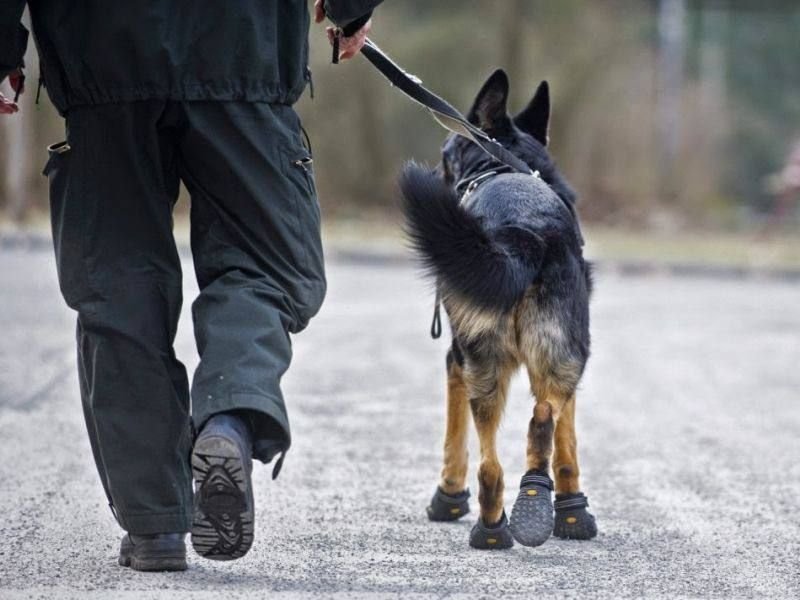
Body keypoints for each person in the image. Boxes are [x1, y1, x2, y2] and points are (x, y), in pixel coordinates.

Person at [0, 0, 382, 571]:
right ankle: (228, 416)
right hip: (242, 47)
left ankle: (153, 524)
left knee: (119, 284)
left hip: (103, 53)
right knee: (261, 267)